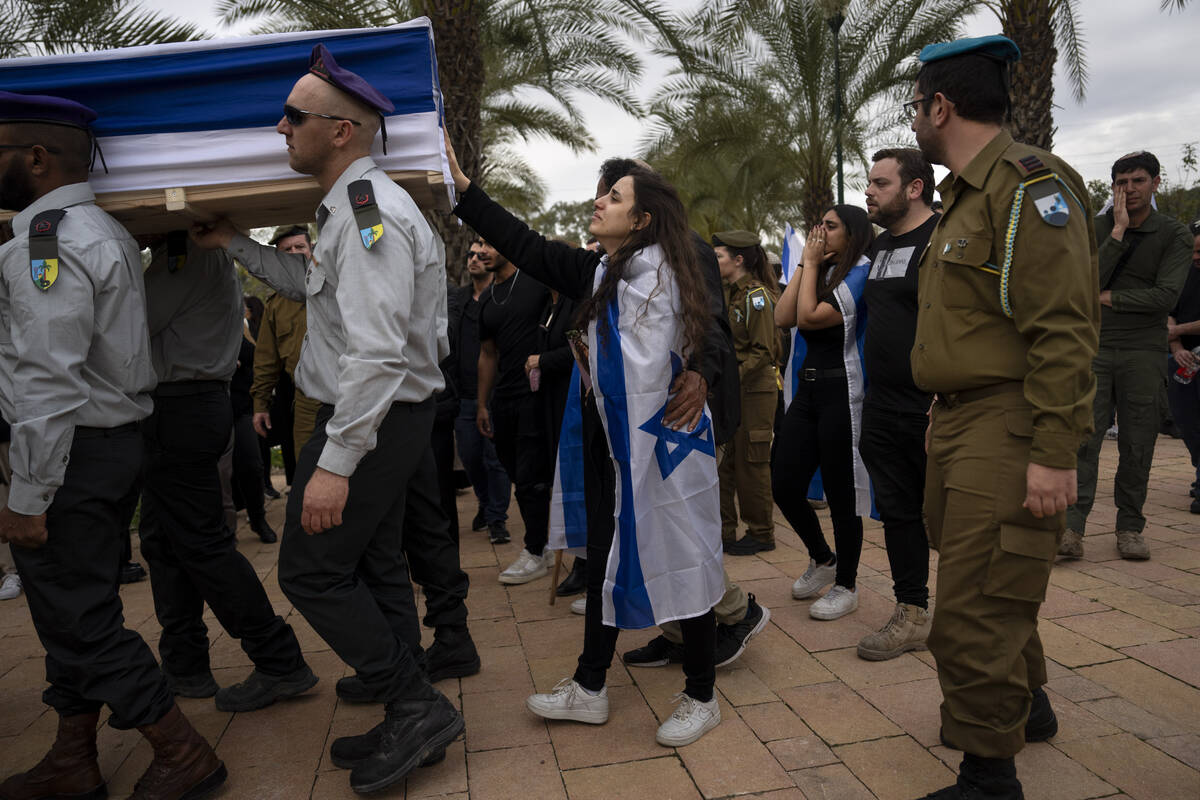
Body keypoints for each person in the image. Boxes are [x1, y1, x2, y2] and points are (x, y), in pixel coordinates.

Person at [190, 44, 464, 794]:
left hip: (369, 418)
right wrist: (237, 244)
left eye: (293, 116)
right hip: (382, 418)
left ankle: (414, 703)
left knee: (310, 571)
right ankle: (403, 703)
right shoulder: (346, 208)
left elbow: (377, 353)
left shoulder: (368, 213)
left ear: (341, 131)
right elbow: (314, 290)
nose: (280, 128)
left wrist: (334, 464)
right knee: (369, 563)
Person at [447, 142, 727, 747]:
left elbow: (712, 334)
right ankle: (589, 687)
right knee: (600, 556)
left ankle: (702, 695)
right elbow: (524, 244)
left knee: (683, 554)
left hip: (669, 440)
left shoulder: (684, 261)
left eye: (614, 196)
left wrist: (703, 374)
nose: (598, 202)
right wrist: (466, 190)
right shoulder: (598, 270)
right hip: (610, 444)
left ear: (644, 217)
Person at [0, 90, 225, 800]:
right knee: (74, 606)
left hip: (68, 456)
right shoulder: (105, 233)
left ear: (36, 159)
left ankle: (179, 749)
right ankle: (73, 756)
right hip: (108, 444)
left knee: (79, 615)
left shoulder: (49, 243)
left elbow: (45, 381)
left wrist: (27, 496)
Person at [907, 36, 1099, 799]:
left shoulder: (1029, 188)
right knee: (987, 578)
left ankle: (989, 776)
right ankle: (1031, 706)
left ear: (940, 106)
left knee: (971, 611)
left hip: (1008, 421)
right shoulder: (964, 195)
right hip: (961, 420)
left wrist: (1056, 452)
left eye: (917, 106)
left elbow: (1063, 329)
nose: (916, 118)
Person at [140, 239, 313, 708]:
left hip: (181, 406)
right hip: (180, 405)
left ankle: (278, 658)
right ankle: (185, 662)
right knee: (163, 540)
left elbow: (128, 323)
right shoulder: (185, 256)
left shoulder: (186, 255)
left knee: (201, 543)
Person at [1062, 151, 1192, 561]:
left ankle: (1130, 527)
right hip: (1093, 347)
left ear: (1155, 183)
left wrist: (1109, 297)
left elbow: (1165, 296)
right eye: (1122, 182)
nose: (1129, 190)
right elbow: (1081, 284)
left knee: (1138, 444)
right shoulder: (1097, 227)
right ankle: (1072, 528)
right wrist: (1116, 233)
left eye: (1138, 181)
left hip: (1144, 351)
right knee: (1084, 440)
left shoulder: (1174, 233)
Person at [856, 148, 939, 661]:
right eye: (870, 181)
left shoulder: (943, 239)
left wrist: (942, 398)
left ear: (914, 188)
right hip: (882, 405)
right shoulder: (882, 244)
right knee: (899, 513)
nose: (869, 190)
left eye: (880, 183)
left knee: (956, 521)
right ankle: (912, 612)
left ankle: (977, 621)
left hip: (932, 407)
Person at [773, 206, 874, 621]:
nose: (820, 233)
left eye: (830, 227)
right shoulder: (820, 267)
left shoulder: (861, 270)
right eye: (819, 226)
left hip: (842, 389)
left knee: (842, 492)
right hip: (810, 388)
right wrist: (806, 264)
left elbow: (811, 318)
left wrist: (812, 264)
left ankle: (846, 584)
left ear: (852, 235)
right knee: (783, 482)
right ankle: (822, 557)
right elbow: (783, 317)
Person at [474, 237, 556, 583]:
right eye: (478, 246)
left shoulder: (536, 282)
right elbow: (488, 354)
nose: (482, 252)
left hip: (535, 396)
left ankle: (535, 550)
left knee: (530, 480)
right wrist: (481, 403)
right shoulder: (487, 300)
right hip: (503, 399)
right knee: (515, 474)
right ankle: (546, 541)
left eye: (490, 244)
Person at [712, 230, 781, 556]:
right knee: (725, 464)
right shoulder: (728, 295)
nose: (715, 261)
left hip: (753, 390)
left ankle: (761, 532)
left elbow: (763, 352)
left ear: (738, 260)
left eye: (720, 256)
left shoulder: (757, 297)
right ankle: (724, 531)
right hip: (734, 389)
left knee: (752, 463)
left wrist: (729, 379)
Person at [449, 242, 511, 544]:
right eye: (470, 254)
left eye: (480, 254)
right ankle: (486, 504)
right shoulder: (458, 299)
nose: (474, 258)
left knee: (494, 459)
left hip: (496, 394)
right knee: (471, 458)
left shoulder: (502, 297)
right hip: (463, 395)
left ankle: (497, 518)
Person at [252, 225, 322, 470]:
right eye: (286, 250)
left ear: (311, 249)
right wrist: (260, 404)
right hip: (306, 399)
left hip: (349, 393)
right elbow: (266, 359)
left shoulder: (337, 285)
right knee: (309, 470)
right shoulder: (275, 305)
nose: (293, 253)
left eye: (299, 247)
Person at [231, 294, 277, 543]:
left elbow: (255, 357)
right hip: (213, 408)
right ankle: (225, 528)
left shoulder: (238, 331)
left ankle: (258, 518)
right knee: (218, 473)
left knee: (251, 464)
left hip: (241, 409)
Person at [1167, 227, 1200, 512]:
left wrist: (1176, 329)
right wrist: (1176, 345)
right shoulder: (1185, 272)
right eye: (1193, 250)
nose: (1196, 257)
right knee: (1185, 421)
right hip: (1183, 360)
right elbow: (1170, 308)